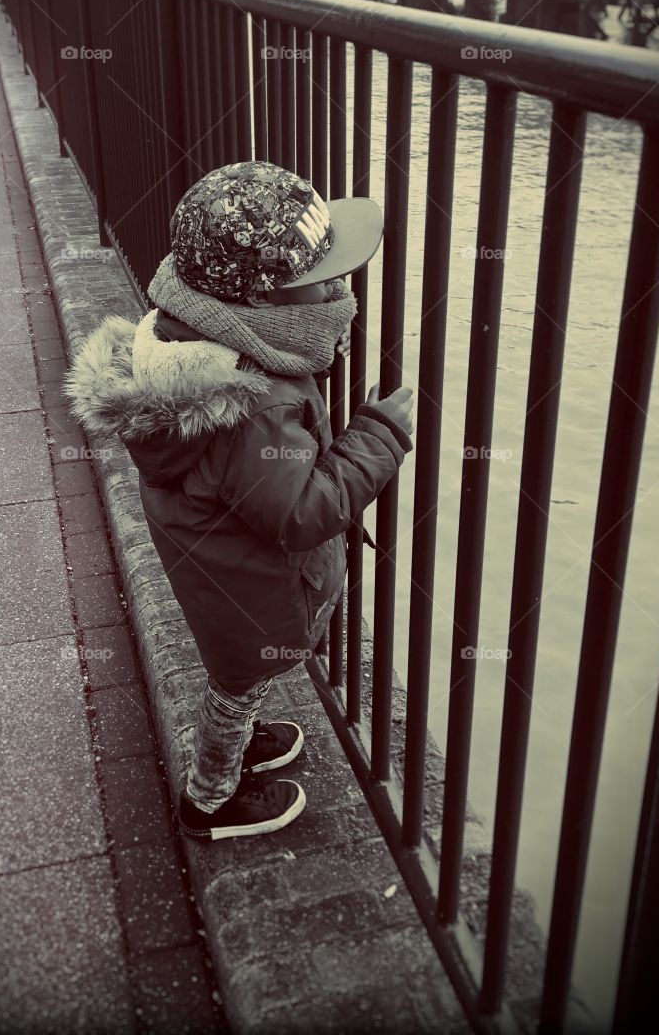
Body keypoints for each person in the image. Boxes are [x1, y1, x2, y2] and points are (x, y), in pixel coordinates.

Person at [64, 161, 414, 840]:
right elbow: (300, 512)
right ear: (262, 306)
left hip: (221, 576)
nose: (341, 290)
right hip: (252, 597)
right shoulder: (250, 409)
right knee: (235, 688)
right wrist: (380, 435)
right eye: (324, 280)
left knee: (237, 685)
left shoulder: (185, 341)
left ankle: (238, 741)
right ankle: (211, 799)